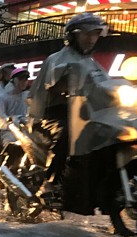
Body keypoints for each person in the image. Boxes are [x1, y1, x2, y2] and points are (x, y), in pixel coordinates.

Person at [28, 12, 108, 191]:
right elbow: (52, 87)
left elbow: (106, 84)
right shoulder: (57, 58)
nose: (91, 38)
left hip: (82, 113)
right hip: (52, 112)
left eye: (95, 33)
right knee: (68, 135)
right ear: (73, 35)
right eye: (87, 33)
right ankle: (50, 182)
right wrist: (71, 83)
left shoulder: (91, 62)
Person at [0, 67, 30, 146]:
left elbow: (34, 112)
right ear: (13, 80)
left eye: (25, 80)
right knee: (10, 147)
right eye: (21, 79)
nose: (23, 82)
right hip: (9, 132)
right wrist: (14, 121)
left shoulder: (28, 96)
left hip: (27, 132)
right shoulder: (3, 97)